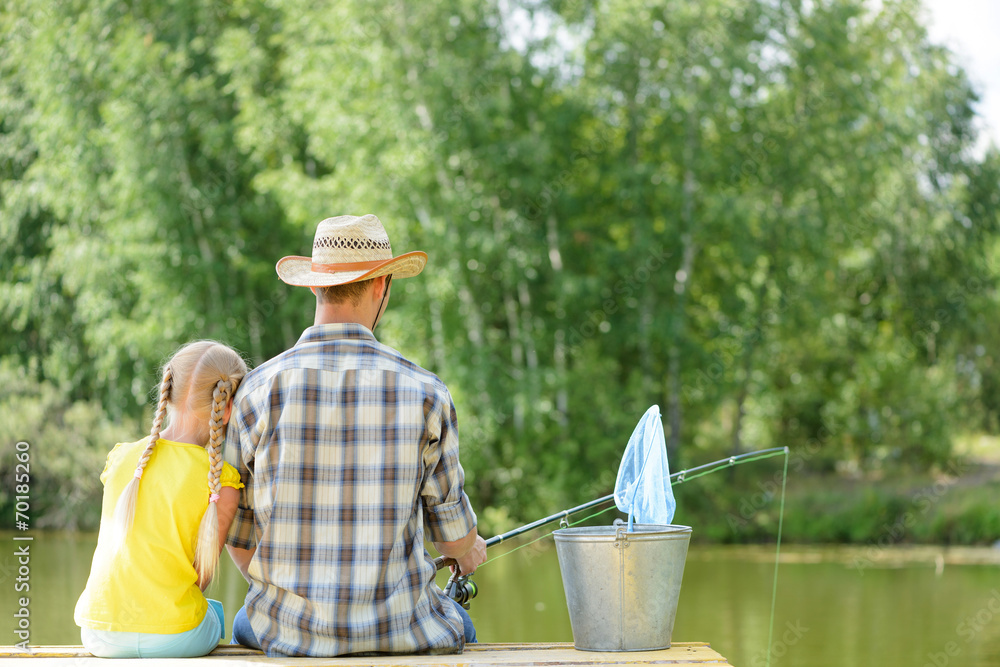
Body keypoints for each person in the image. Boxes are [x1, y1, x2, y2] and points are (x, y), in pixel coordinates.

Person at [225, 214, 487, 657]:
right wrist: (470, 549)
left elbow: (237, 536)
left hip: (287, 633)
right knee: (462, 624)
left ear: (314, 285)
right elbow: (452, 540)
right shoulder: (426, 392)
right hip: (402, 633)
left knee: (241, 620)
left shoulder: (257, 389)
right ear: (381, 286)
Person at [74, 341, 247, 658]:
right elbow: (201, 577)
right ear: (228, 409)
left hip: (99, 633)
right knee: (216, 613)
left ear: (167, 392)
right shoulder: (222, 480)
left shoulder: (122, 458)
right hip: (175, 638)